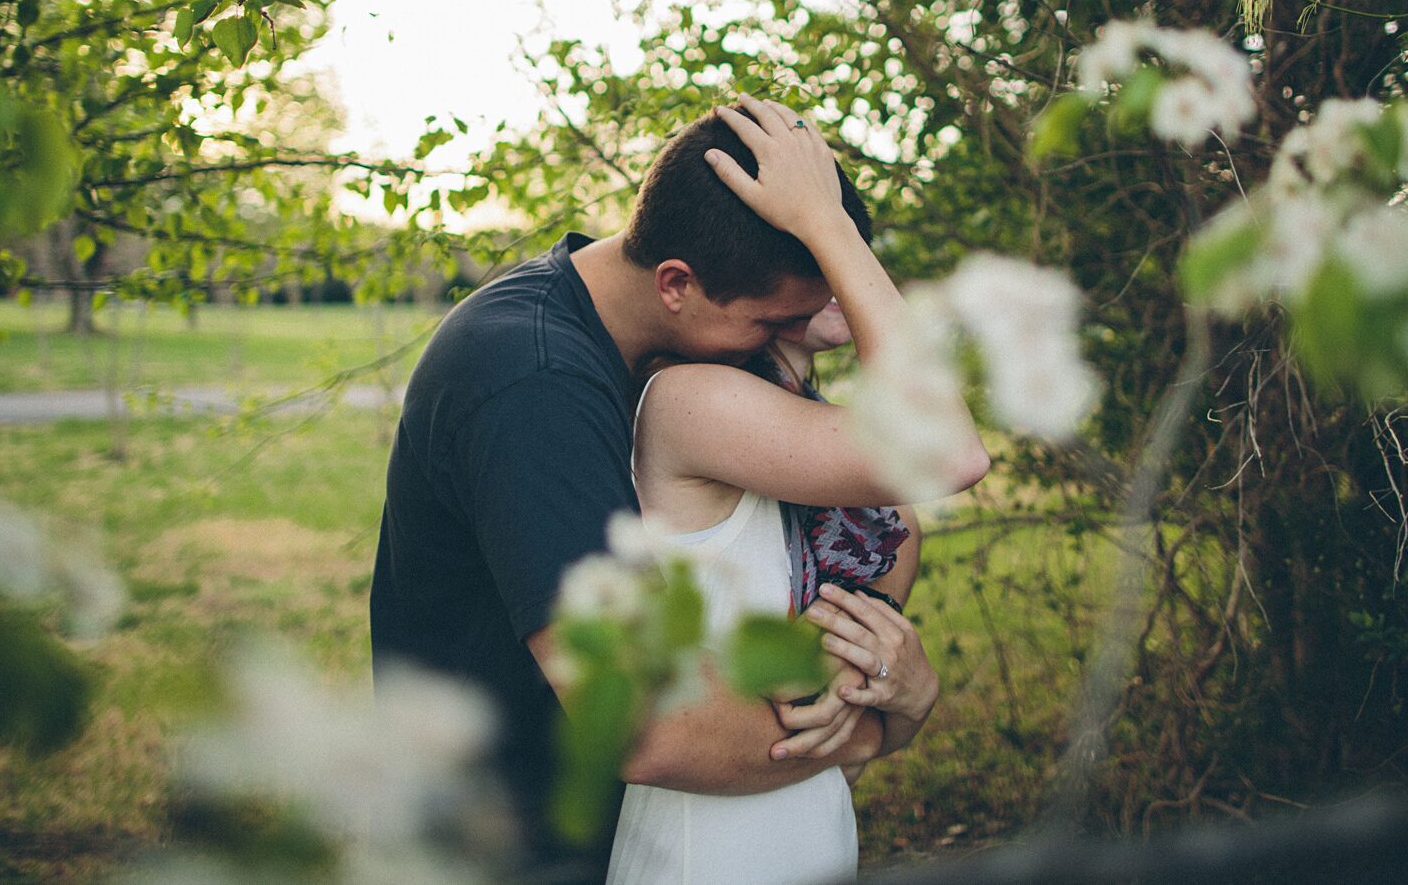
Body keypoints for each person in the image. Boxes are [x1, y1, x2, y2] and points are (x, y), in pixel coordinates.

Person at [368, 97, 982, 884]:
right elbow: (645, 728)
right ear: (676, 283)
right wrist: (880, 729)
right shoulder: (531, 379)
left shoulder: (659, 332)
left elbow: (885, 519)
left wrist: (828, 244)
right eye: (772, 322)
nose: (790, 336)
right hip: (504, 844)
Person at [605, 100, 987, 885]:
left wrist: (903, 696)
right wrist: (829, 224)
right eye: (823, 253)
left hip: (811, 832)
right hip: (701, 856)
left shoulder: (829, 471)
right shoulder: (690, 401)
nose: (857, 282)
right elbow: (949, 450)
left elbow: (828, 709)